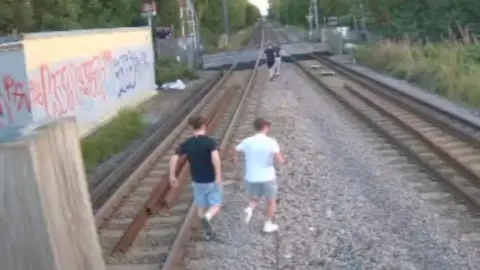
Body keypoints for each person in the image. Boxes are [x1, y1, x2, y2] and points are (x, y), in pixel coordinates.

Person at [169, 116, 223, 240]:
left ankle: (207, 233)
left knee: (200, 205)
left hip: (197, 181)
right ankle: (207, 217)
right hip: (211, 179)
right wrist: (218, 175)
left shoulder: (187, 143)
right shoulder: (211, 142)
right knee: (216, 205)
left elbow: (174, 158)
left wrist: (172, 175)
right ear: (204, 126)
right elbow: (215, 158)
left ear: (191, 127)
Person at [232, 118, 286, 233]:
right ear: (266, 127)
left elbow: (236, 150)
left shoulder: (247, 141)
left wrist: (235, 159)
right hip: (267, 177)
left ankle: (249, 209)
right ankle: (267, 224)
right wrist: (283, 162)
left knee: (256, 197)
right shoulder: (271, 141)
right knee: (271, 201)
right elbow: (280, 160)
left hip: (251, 176)